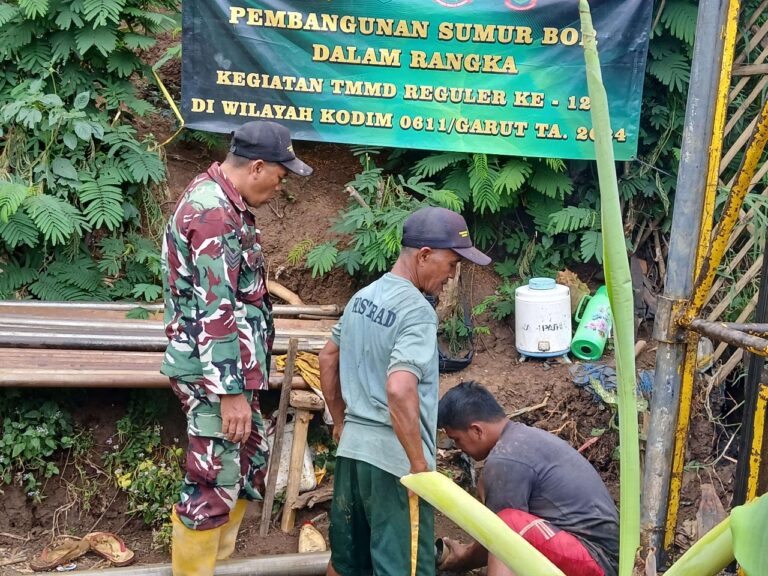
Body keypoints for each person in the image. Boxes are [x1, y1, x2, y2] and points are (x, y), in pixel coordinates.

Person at [161, 120, 313, 576]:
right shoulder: (212, 213)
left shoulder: (228, 204)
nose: (280, 185)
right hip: (213, 376)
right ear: (258, 166)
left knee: (246, 467)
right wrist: (229, 392)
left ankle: (217, 565)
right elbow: (215, 309)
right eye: (280, 176)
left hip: (233, 372)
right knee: (212, 481)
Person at [319, 206, 491, 576]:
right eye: (451, 263)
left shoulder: (363, 297)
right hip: (394, 463)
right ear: (424, 255)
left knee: (346, 564)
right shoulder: (416, 311)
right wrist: (417, 465)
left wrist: (339, 421)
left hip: (352, 456)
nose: (452, 275)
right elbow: (399, 388)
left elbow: (328, 358)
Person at [436, 381, 620, 576]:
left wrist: (463, 559)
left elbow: (500, 537)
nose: (458, 446)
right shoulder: (523, 439)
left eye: (457, 439)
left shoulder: (505, 459)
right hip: (597, 554)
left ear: (477, 430)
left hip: (596, 563)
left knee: (507, 523)